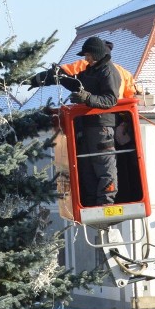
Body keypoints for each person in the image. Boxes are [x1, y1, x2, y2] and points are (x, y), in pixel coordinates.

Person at [27, 36, 121, 206]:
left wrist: (87, 97)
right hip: (85, 126)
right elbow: (74, 83)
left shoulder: (108, 71)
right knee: (86, 167)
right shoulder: (90, 71)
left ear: (97, 54)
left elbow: (110, 100)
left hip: (101, 127)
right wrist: (48, 78)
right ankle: (92, 203)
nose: (86, 59)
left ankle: (106, 203)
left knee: (103, 166)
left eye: (88, 55)